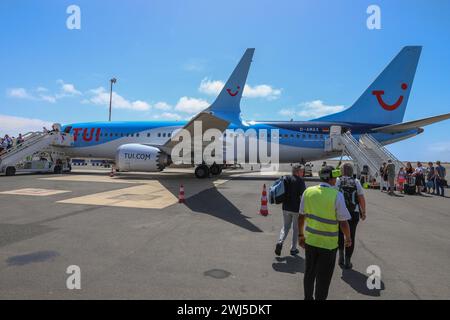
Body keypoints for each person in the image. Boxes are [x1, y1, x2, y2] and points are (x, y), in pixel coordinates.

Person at [298, 166, 352, 300]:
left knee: (309, 274)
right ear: (331, 178)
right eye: (335, 177)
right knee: (324, 279)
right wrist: (348, 238)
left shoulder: (308, 192)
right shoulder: (336, 195)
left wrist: (300, 235)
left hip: (310, 242)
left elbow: (301, 216)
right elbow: (343, 222)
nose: (336, 179)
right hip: (328, 246)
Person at [335, 163, 366, 269]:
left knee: (339, 234)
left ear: (342, 171)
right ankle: (348, 260)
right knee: (351, 235)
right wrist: (364, 211)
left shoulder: (338, 181)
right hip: (354, 212)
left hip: (340, 212)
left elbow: (334, 196)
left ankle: (341, 256)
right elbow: (361, 198)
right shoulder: (356, 182)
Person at [275, 165, 307, 256]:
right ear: (297, 171)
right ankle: (293, 249)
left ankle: (280, 242)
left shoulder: (286, 178)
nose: (303, 173)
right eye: (301, 171)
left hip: (285, 207)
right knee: (296, 229)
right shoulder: (300, 181)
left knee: (285, 227)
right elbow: (303, 197)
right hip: (296, 209)